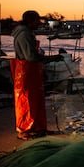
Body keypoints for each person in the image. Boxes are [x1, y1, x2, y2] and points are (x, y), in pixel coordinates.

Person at [10, 10, 63, 140]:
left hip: (32, 73)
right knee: (27, 102)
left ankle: (39, 129)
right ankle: (25, 131)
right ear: (30, 21)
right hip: (25, 73)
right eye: (37, 20)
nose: (39, 23)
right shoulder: (24, 34)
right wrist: (52, 59)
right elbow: (31, 57)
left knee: (37, 101)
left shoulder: (27, 33)